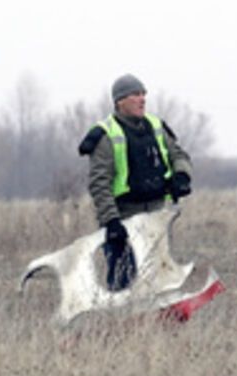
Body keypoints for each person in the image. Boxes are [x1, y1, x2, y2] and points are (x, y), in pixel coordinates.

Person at [78, 73, 193, 291]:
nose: (142, 99)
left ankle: (162, 323)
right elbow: (99, 184)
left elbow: (179, 155)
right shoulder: (105, 135)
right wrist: (111, 222)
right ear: (120, 101)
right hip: (122, 218)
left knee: (162, 280)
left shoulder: (156, 126)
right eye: (135, 95)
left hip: (156, 215)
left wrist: (182, 176)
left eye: (143, 94)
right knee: (124, 282)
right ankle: (120, 324)